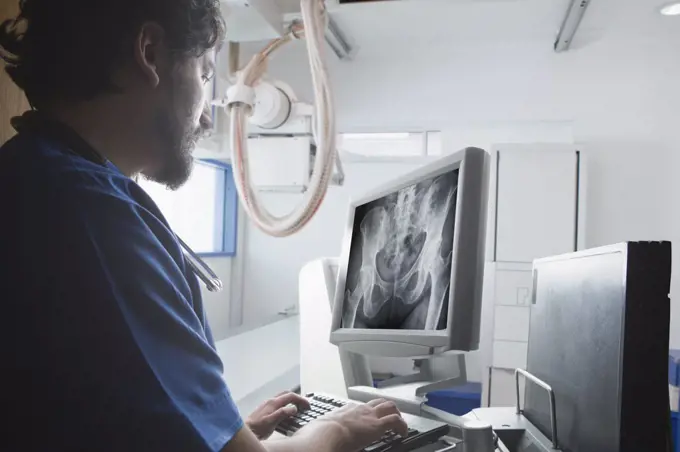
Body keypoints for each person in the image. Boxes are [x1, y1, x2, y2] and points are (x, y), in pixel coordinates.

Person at [0, 1, 407, 451]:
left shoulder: (32, 176)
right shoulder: (89, 214)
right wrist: (340, 428)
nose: (208, 116)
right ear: (150, 52)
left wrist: (222, 431)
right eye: (205, 73)